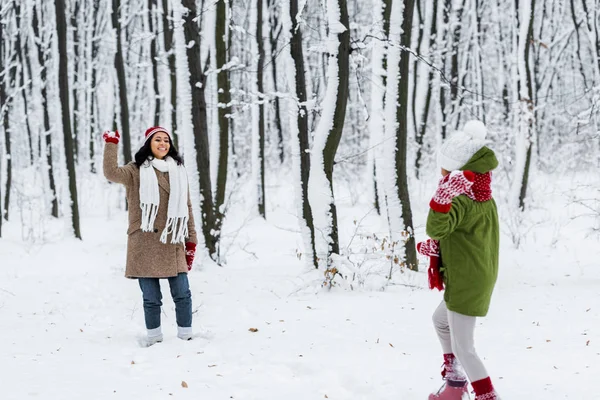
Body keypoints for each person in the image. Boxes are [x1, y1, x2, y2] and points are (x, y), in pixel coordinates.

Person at [417, 120, 500, 400]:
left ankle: (487, 396)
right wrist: (439, 250)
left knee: (465, 347)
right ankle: (454, 385)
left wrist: (442, 198)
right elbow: (464, 235)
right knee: (441, 321)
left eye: (444, 168)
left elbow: (437, 227)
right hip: (474, 273)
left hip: (467, 279)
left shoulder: (462, 199)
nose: (440, 173)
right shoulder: (482, 196)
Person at [103, 127, 198, 345]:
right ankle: (154, 339)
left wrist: (191, 240)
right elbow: (110, 173)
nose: (163, 143)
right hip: (144, 241)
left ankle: (186, 337)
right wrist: (111, 144)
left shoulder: (179, 171)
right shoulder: (135, 170)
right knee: (151, 299)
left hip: (172, 239)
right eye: (158, 140)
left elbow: (187, 207)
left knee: (183, 294)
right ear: (149, 143)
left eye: (166, 140)